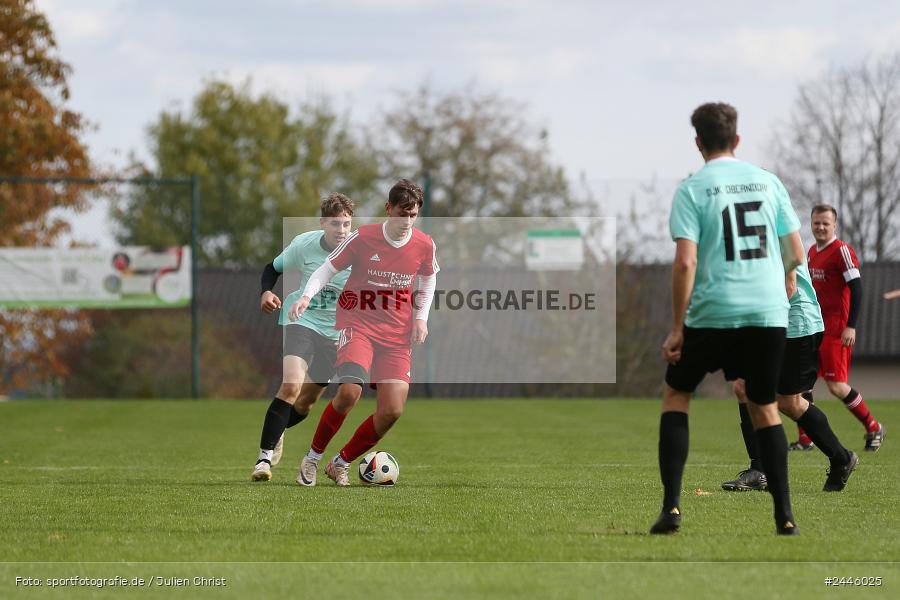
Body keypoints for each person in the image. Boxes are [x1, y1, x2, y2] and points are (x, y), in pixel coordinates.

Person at [652, 102, 805, 535]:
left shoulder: (692, 188)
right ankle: (785, 516)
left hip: (714, 310)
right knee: (765, 406)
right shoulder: (768, 182)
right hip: (766, 311)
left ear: (698, 142)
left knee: (677, 395)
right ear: (737, 140)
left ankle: (672, 510)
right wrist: (787, 277)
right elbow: (795, 252)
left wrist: (679, 328)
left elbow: (685, 264)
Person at [288, 179, 439, 487]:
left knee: (393, 410)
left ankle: (340, 462)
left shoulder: (424, 244)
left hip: (397, 336)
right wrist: (306, 295)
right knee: (349, 392)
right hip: (359, 326)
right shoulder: (363, 238)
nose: (407, 222)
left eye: (413, 215)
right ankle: (312, 459)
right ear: (389, 209)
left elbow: (428, 280)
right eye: (402, 214)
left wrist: (421, 319)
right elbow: (326, 268)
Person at [721, 263, 859, 493]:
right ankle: (760, 470)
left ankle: (841, 458)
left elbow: (790, 286)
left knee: (789, 402)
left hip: (796, 325)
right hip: (775, 321)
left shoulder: (778, 230)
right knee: (744, 387)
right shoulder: (744, 237)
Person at [250, 193, 354, 482]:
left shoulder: (359, 250)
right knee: (291, 385)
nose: (341, 230)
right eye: (335, 223)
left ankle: (279, 427)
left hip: (336, 334)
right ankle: (263, 459)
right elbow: (272, 268)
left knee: (305, 404)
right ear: (323, 223)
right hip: (301, 321)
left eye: (346, 224)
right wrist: (266, 292)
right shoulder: (304, 245)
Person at [791, 205, 885, 452]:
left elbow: (857, 288)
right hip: (814, 328)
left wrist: (850, 326)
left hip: (836, 331)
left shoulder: (842, 250)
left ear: (834, 225)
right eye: (816, 223)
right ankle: (805, 440)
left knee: (837, 386)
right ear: (810, 224)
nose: (820, 227)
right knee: (803, 385)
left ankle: (873, 426)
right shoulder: (811, 251)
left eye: (825, 223)